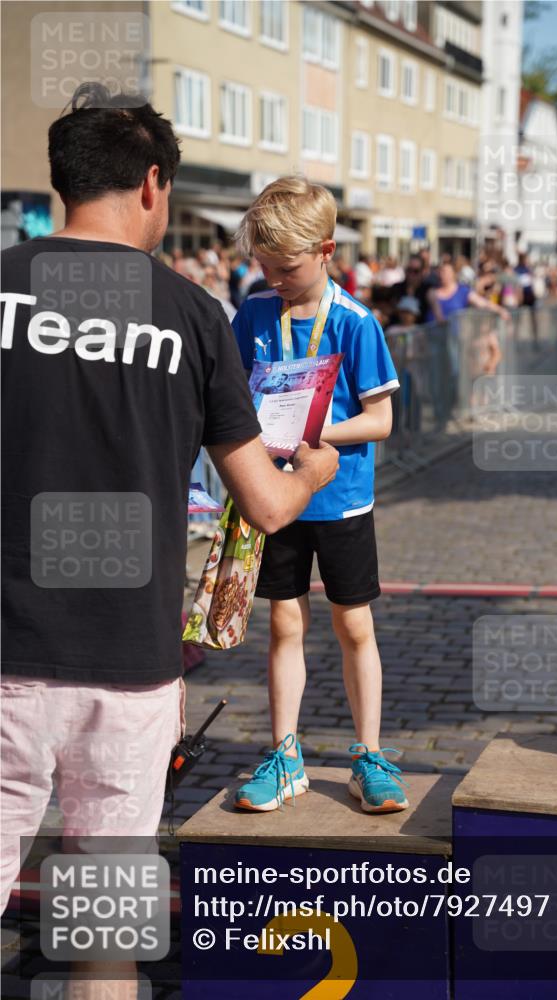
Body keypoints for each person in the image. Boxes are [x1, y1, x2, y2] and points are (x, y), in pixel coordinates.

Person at [0, 83, 338, 942]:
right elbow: (262, 504)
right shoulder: (190, 313)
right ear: (152, 184)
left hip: (6, 655)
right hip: (130, 665)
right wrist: (315, 470)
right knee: (106, 940)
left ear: (62, 181)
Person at [232, 175, 408, 815]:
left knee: (352, 622)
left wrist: (309, 429)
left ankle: (370, 754)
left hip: (340, 499)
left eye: (286, 266)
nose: (273, 277)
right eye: (264, 265)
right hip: (275, 495)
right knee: (283, 622)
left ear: (327, 250)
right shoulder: (252, 313)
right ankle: (285, 754)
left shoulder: (357, 323)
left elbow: (381, 420)